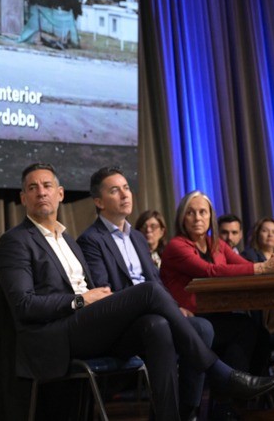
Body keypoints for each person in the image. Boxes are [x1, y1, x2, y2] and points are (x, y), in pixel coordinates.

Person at [0, 163, 274, 421]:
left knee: (156, 326)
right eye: (32, 187)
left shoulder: (68, 240)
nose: (41, 192)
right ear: (23, 198)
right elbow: (23, 305)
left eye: (47, 186)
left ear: (60, 194)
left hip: (88, 326)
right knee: (149, 291)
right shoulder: (15, 241)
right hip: (57, 334)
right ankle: (219, 373)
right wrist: (80, 300)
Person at [76, 166, 214, 420]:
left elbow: (156, 281)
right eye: (115, 190)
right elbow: (104, 291)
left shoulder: (138, 238)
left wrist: (174, 307)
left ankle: (186, 413)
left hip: (154, 314)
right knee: (157, 325)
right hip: (121, 326)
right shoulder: (91, 240)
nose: (125, 195)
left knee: (203, 327)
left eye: (127, 188)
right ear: (99, 201)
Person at [161, 192, 274, 384]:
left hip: (216, 311)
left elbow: (244, 265)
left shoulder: (216, 244)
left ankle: (250, 393)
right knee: (244, 329)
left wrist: (272, 267)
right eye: (190, 213)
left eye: (202, 212)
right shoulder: (176, 246)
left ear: (210, 216)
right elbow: (210, 271)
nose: (197, 218)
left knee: (261, 334)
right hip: (190, 317)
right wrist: (262, 268)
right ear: (182, 217)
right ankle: (232, 393)